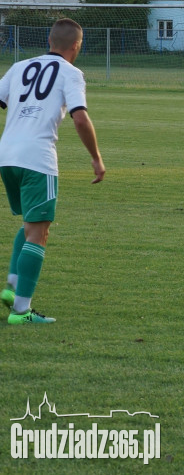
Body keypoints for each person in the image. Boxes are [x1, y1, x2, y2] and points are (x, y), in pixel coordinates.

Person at [0, 18, 105, 325]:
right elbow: (80, 119)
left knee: (30, 225)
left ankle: (12, 287)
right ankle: (21, 312)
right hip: (38, 158)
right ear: (77, 45)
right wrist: (97, 158)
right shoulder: (71, 73)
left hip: (7, 156)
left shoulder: (19, 66)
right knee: (40, 232)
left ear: (49, 40)